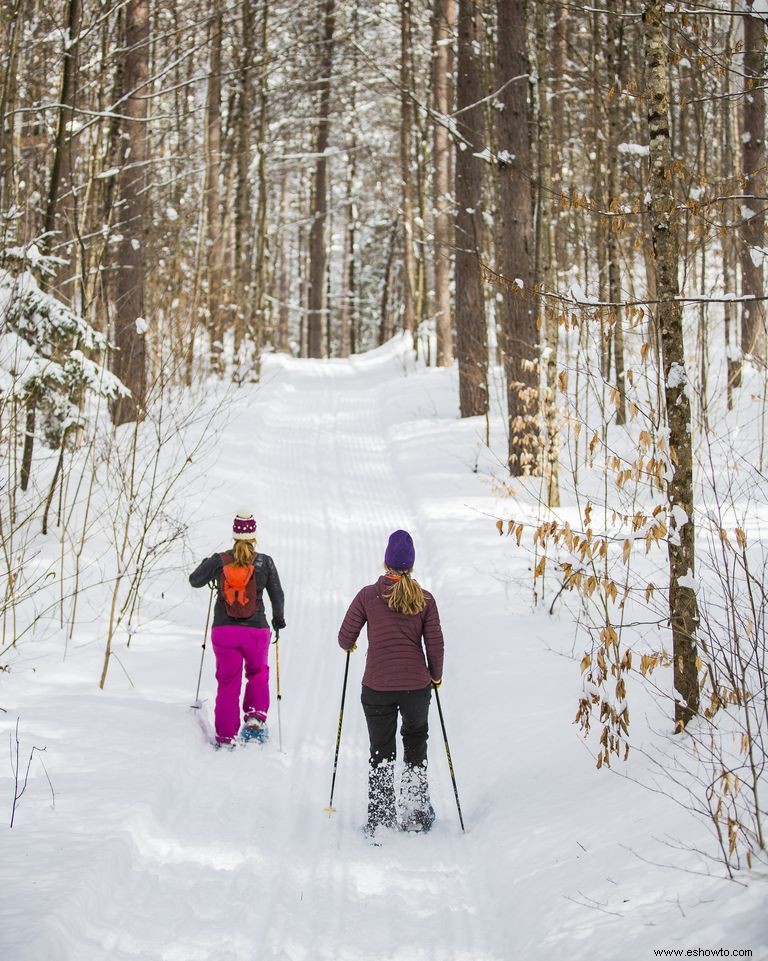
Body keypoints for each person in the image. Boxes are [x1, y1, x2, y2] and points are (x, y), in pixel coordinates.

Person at [338, 530, 444, 836]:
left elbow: (345, 637)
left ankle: (381, 817)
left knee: (381, 750)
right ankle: (415, 812)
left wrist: (350, 645)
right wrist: (435, 675)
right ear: (411, 565)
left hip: (377, 687)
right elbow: (435, 643)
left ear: (386, 561)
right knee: (415, 742)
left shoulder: (368, 595)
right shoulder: (425, 599)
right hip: (416, 686)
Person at [189, 509, 285, 746]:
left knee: (228, 681)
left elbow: (195, 580)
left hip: (224, 631)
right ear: (254, 536)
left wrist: (207, 564)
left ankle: (225, 735)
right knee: (258, 673)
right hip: (256, 632)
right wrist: (278, 620)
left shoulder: (220, 560)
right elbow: (277, 595)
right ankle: (254, 722)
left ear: (234, 535)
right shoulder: (264, 562)